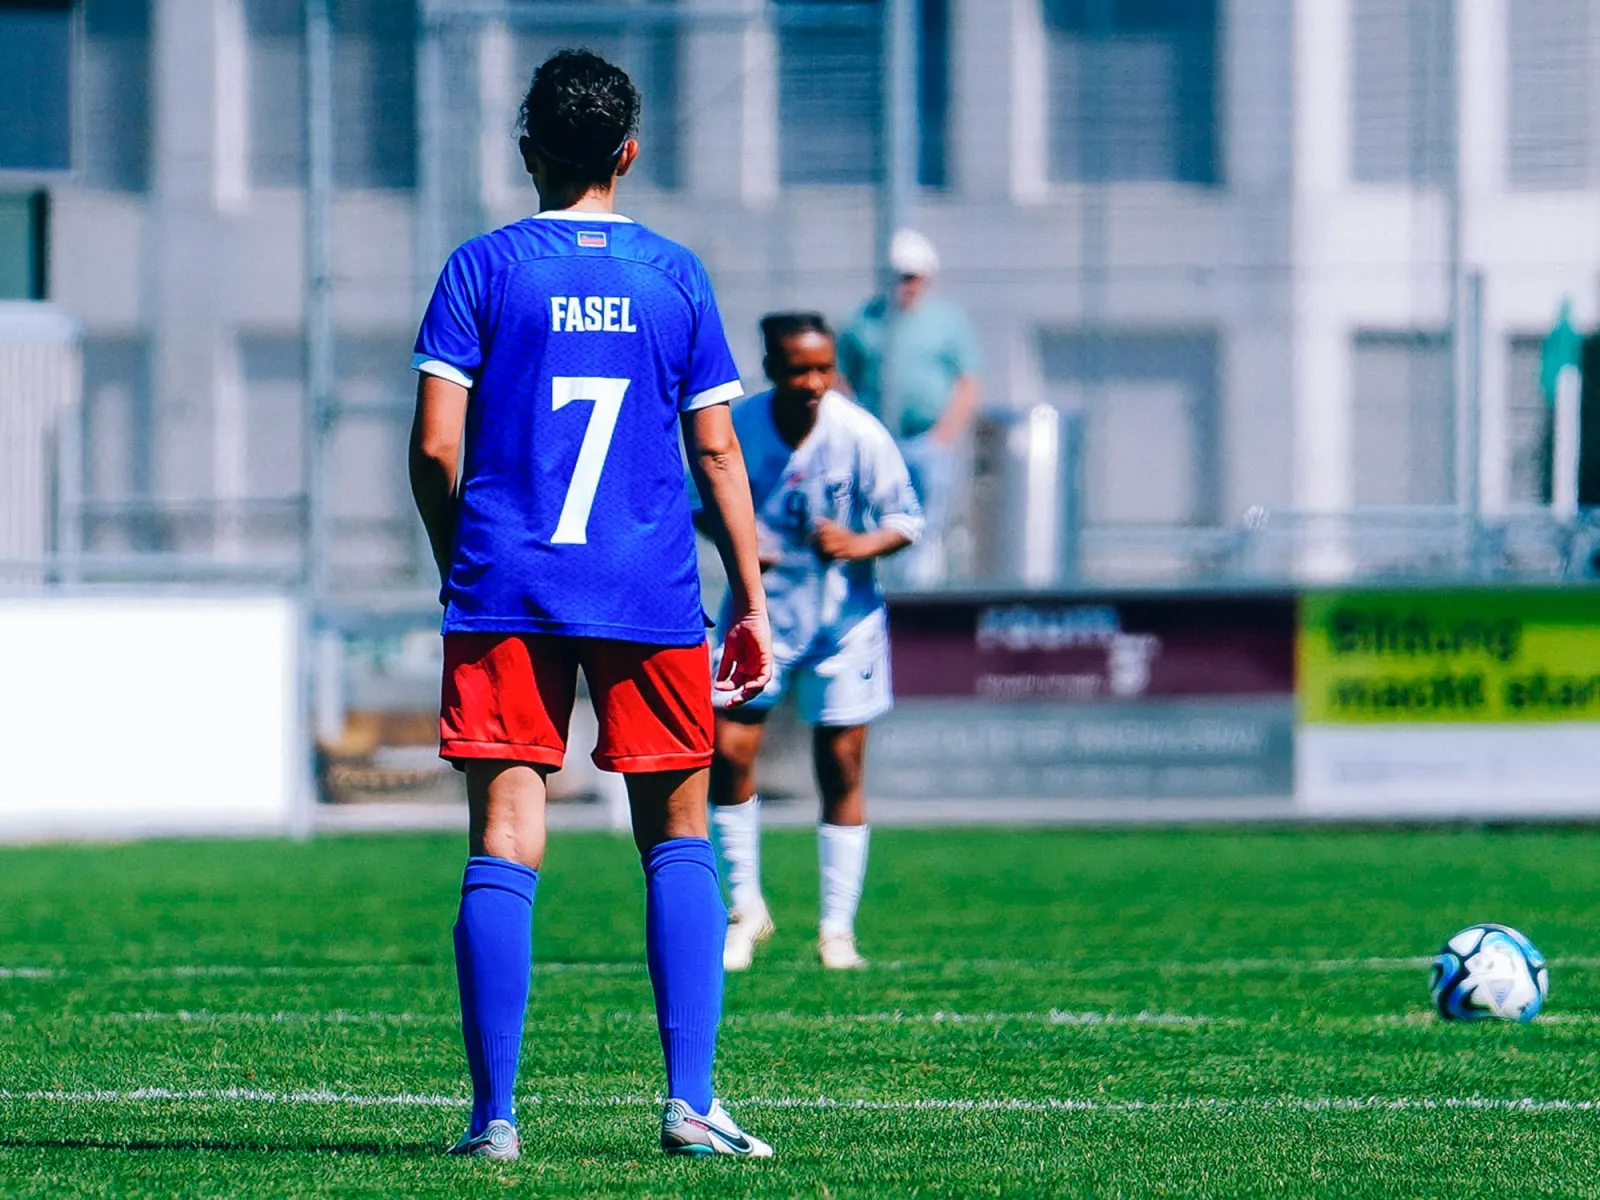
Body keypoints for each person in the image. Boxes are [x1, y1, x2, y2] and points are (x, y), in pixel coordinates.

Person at [408, 49, 775, 1161]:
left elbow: (434, 448)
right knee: (676, 831)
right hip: (647, 589)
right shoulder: (675, 276)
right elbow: (718, 451)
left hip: (508, 585)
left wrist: (461, 560)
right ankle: (690, 1103)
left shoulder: (482, 268)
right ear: (630, 151)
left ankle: (494, 1120)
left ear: (529, 151)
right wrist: (751, 597)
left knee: (504, 837)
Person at [700, 313, 923, 972]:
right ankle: (745, 910)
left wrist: (860, 543)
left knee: (842, 766)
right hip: (758, 617)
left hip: (843, 624)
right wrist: (740, 539)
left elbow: (906, 519)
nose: (813, 382)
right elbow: (697, 501)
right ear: (772, 369)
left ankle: (837, 930)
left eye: (824, 368)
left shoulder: (859, 432)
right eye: (799, 370)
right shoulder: (737, 427)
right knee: (728, 750)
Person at [838, 229, 980, 587]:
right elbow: (840, 377)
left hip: (927, 441)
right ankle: (880, 587)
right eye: (899, 277)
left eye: (912, 277)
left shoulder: (947, 321)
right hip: (878, 441)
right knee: (874, 516)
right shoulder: (863, 321)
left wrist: (944, 435)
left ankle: (919, 593)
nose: (905, 285)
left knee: (926, 523)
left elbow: (967, 381)